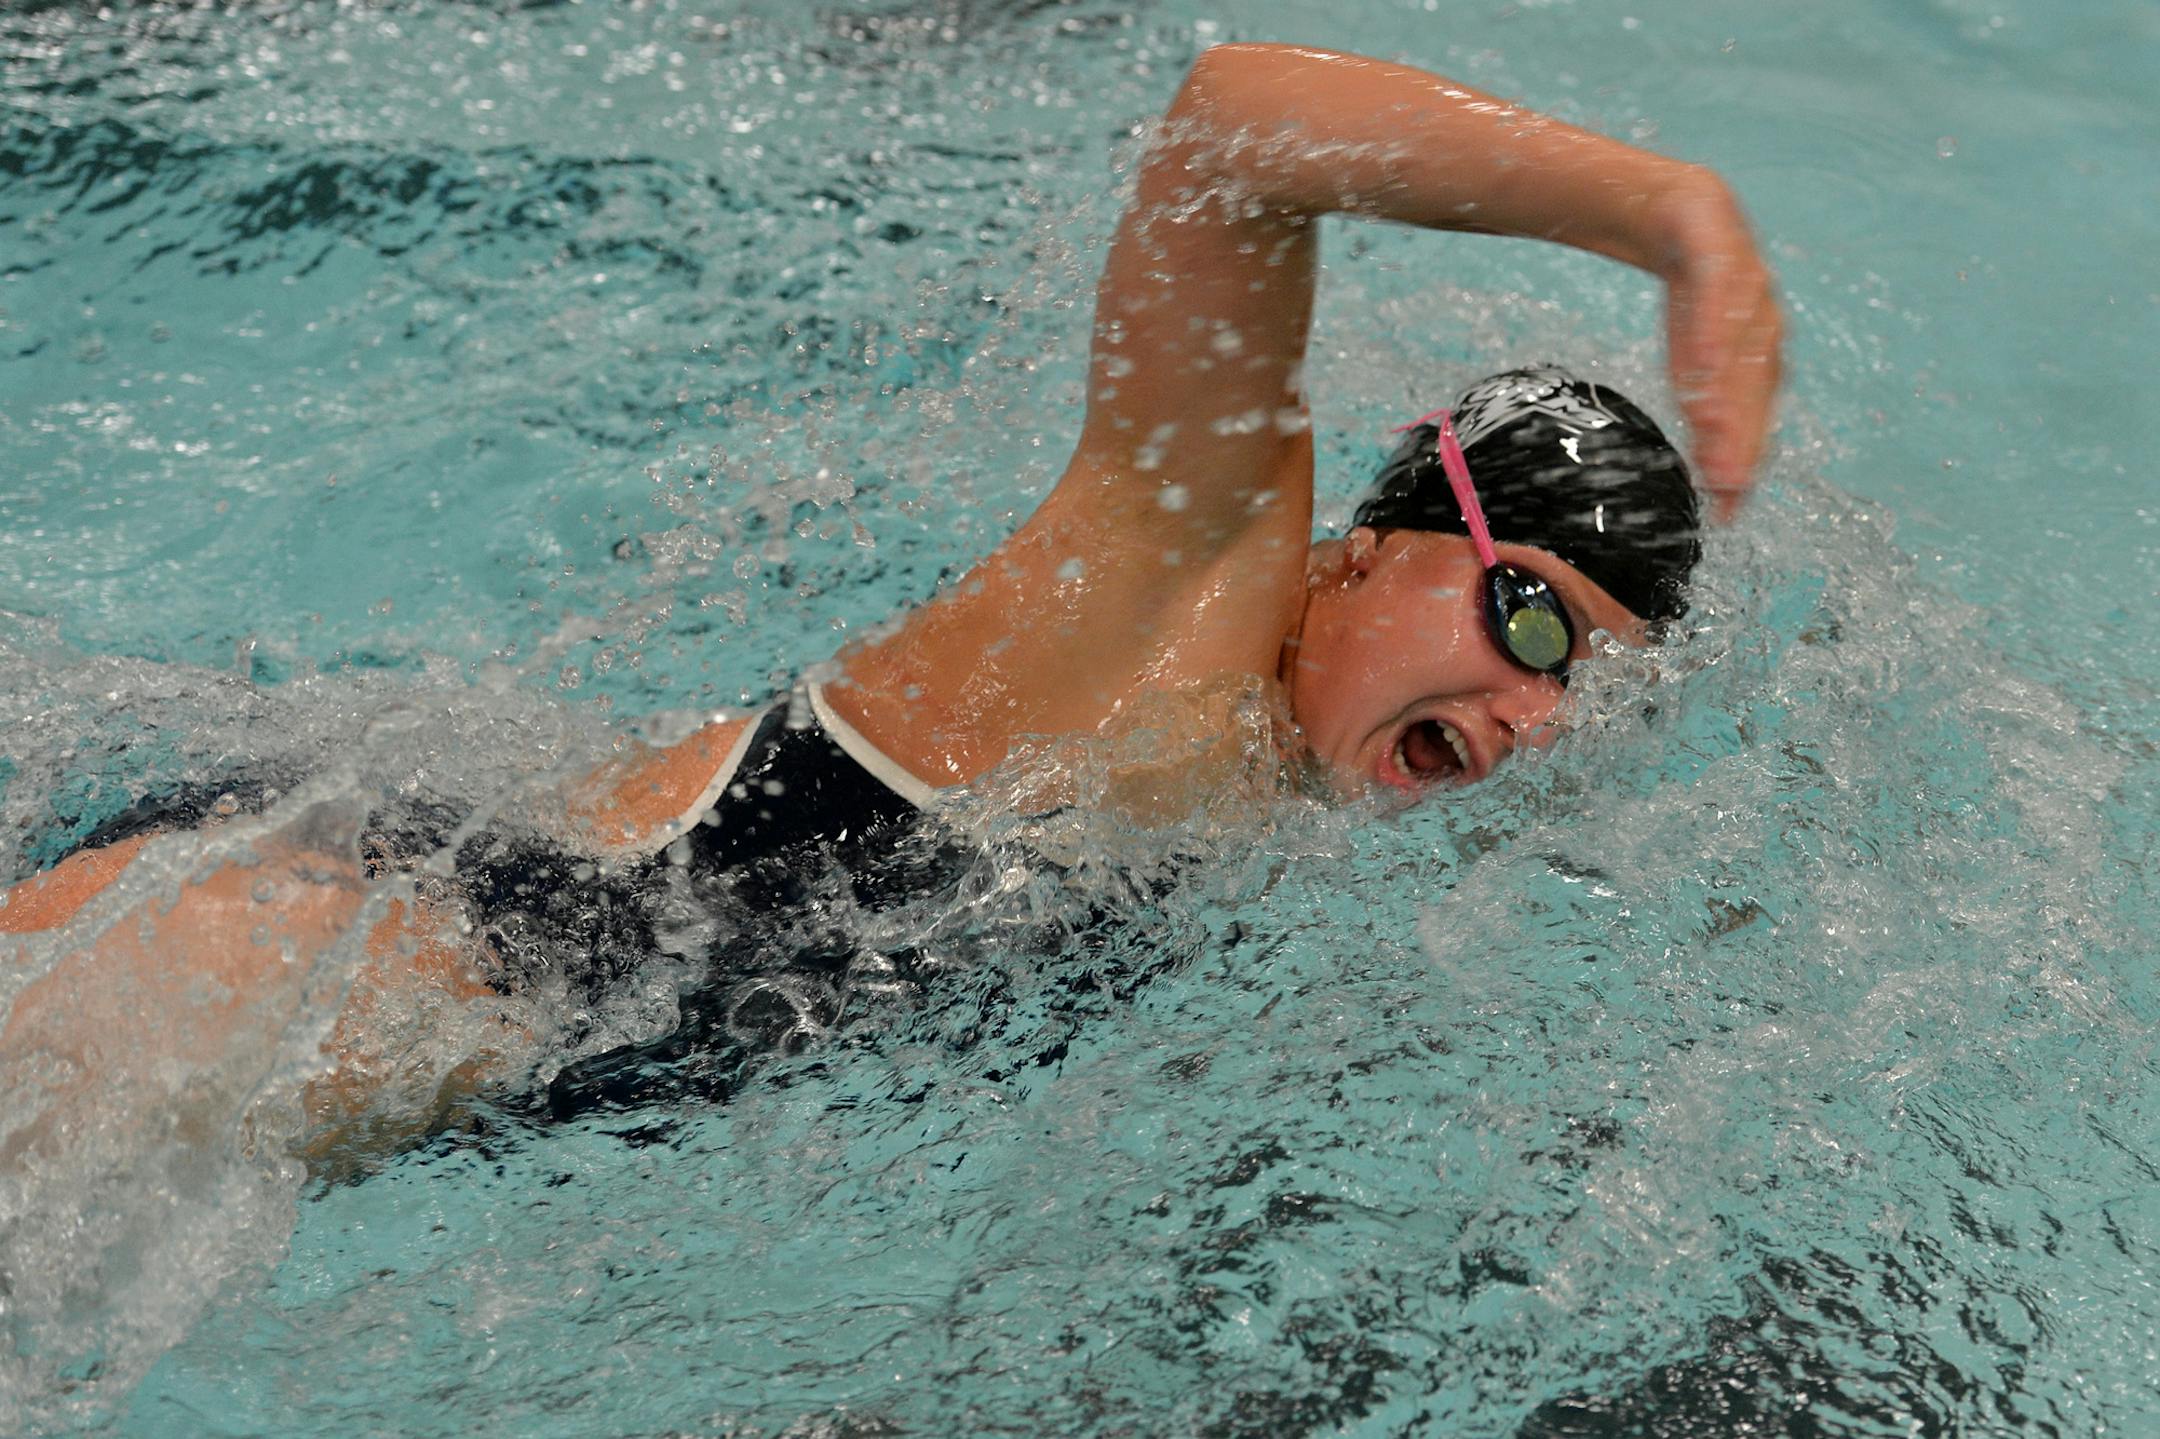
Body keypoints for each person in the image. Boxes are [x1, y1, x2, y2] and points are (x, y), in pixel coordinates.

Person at [0, 44, 1781, 1146]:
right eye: (1530, 616)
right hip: (344, 954)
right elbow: (1237, 123)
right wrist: (1676, 214)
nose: (1537, 708)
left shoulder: (1263, 807)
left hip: (474, 1027)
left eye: (1583, 689)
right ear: (1375, 544)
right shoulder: (1190, 576)